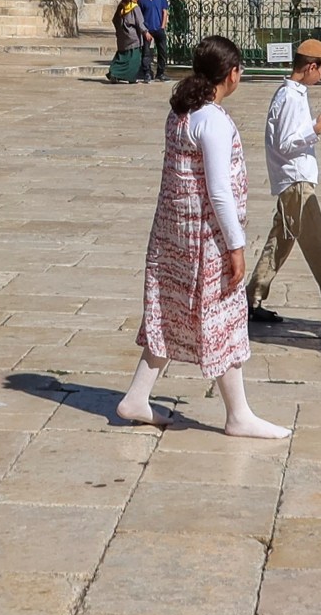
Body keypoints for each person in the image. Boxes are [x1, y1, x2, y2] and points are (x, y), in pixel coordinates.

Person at [118, 35, 290, 439]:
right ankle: (238, 415)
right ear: (232, 74)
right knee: (225, 316)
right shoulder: (211, 120)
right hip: (204, 240)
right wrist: (236, 246)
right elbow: (219, 190)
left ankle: (137, 398)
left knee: (170, 311)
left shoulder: (181, 112)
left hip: (172, 236)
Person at [245, 39, 321, 333]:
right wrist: (318, 128)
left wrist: (317, 124)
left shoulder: (293, 94)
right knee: (320, 248)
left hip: (295, 181)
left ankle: (252, 297)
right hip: (296, 182)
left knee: (280, 242)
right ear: (311, 67)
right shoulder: (289, 97)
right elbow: (285, 143)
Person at [111, 0, 151, 83]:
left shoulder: (121, 6)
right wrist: (145, 32)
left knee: (122, 57)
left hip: (123, 38)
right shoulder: (135, 7)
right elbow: (140, 22)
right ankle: (130, 77)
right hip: (133, 37)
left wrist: (119, 30)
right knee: (134, 59)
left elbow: (115, 20)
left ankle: (114, 73)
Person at [138, 0, 170, 82]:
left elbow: (165, 12)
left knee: (162, 51)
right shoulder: (142, 0)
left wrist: (163, 26)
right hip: (147, 29)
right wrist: (144, 30)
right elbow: (140, 16)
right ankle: (147, 73)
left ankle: (160, 73)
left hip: (159, 28)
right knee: (146, 52)